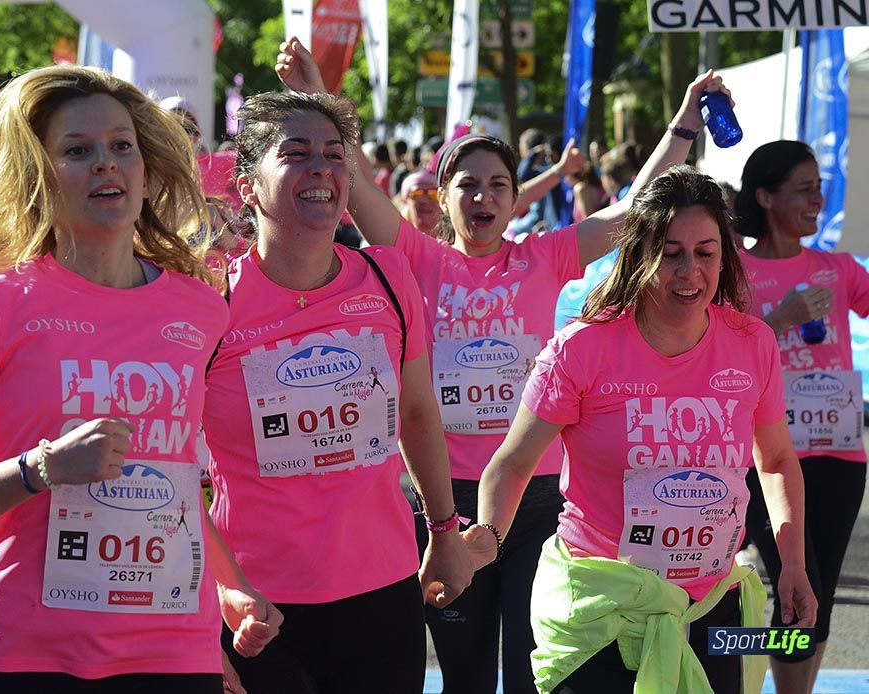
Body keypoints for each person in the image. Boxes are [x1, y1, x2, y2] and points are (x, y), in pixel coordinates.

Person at [276, 36, 728, 694]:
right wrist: (317, 89)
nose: (483, 197)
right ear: (443, 195)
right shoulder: (418, 259)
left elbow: (636, 206)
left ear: (519, 198)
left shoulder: (543, 257)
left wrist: (685, 120)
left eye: (497, 186)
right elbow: (352, 177)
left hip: (537, 500)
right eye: (468, 185)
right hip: (445, 501)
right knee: (463, 675)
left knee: (529, 673)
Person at [0, 65, 280, 693]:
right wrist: (39, 468)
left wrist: (229, 585)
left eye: (121, 146)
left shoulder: (202, 309)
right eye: (77, 150)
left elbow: (171, 482)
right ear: (38, 178)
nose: (106, 163)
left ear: (147, 170)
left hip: (170, 652)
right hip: (24, 653)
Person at [466, 165, 816, 693]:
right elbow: (514, 463)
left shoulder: (753, 343)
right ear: (640, 253)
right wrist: (484, 539)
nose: (689, 272)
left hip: (710, 609)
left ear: (725, 256)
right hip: (602, 610)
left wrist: (793, 563)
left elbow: (775, 461)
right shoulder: (582, 348)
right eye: (670, 252)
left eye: (705, 253)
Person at [204, 89, 472, 694]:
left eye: (333, 154)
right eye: (295, 153)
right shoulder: (210, 302)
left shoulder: (387, 274)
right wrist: (218, 590)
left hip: (382, 593)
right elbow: (169, 465)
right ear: (247, 186)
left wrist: (445, 531)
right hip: (258, 609)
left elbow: (418, 411)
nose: (321, 167)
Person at [735, 139, 869, 694]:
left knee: (820, 593)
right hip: (766, 459)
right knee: (798, 586)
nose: (818, 199)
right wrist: (781, 317)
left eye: (820, 188)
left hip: (839, 455)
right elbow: (716, 351)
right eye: (805, 189)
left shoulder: (835, 269)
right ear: (765, 197)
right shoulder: (730, 269)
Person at [398, 169, 442, 239]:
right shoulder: (395, 239)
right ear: (405, 200)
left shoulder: (454, 242)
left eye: (433, 194)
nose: (424, 200)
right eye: (417, 194)